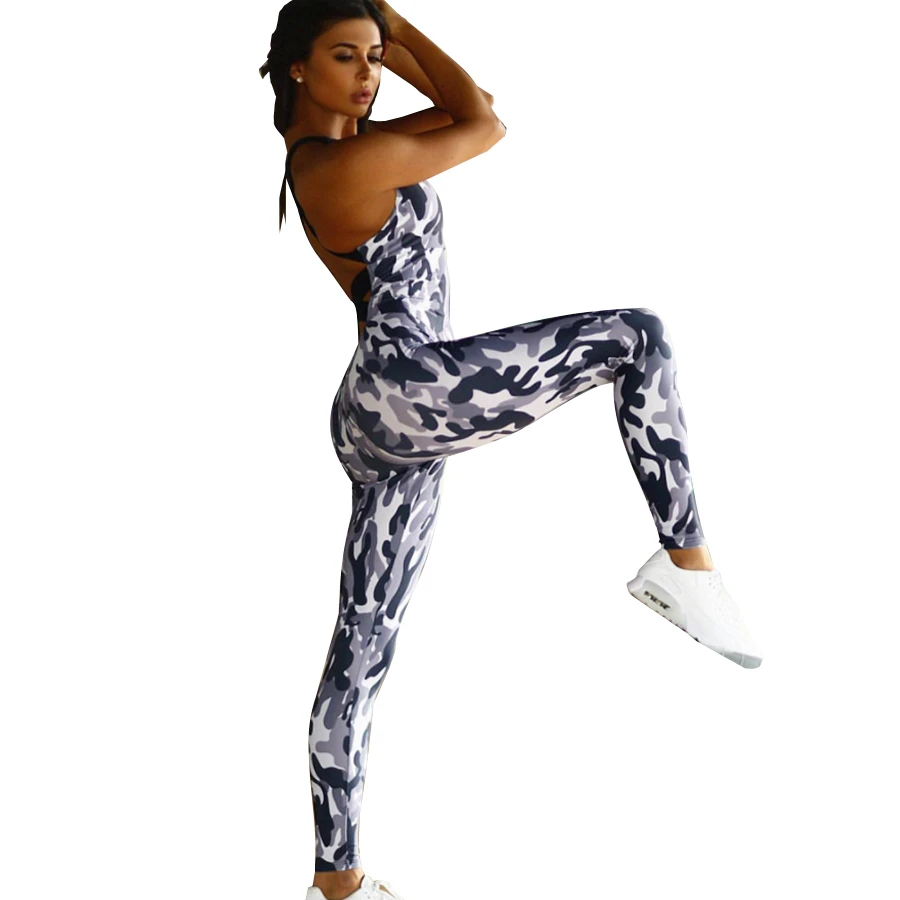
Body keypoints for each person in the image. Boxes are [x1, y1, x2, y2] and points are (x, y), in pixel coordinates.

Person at [259, 2, 764, 897]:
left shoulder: (357, 150)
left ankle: (337, 884)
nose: (369, 74)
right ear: (298, 67)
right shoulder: (333, 167)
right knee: (635, 336)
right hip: (406, 387)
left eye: (374, 57)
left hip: (389, 409)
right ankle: (686, 564)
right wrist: (396, 24)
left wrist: (385, 34)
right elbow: (484, 125)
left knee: (362, 650)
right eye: (347, 57)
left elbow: (478, 105)